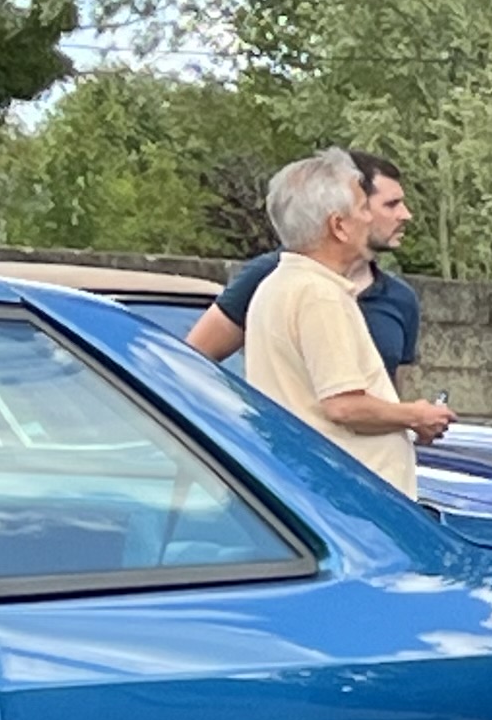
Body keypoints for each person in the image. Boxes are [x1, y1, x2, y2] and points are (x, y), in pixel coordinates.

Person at [237, 149, 454, 494]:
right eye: (364, 208)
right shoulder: (320, 295)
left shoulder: (279, 284)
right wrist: (417, 414)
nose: (370, 218)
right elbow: (343, 406)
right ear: (338, 226)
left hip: (311, 485)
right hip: (348, 495)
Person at [189, 151, 423, 377]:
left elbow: (392, 392)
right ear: (345, 206)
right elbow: (191, 361)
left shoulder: (400, 298)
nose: (405, 215)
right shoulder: (271, 275)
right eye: (391, 204)